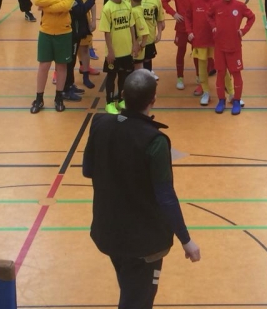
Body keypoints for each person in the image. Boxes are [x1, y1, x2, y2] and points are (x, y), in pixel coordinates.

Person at [82, 69, 201, 309]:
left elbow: (88, 170)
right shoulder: (155, 141)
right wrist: (186, 240)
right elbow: (166, 197)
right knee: (137, 301)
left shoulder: (100, 123)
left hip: (109, 232)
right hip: (144, 243)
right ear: (153, 100)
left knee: (130, 290)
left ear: (123, 95)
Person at [31, 0, 77, 114]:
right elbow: (38, 1)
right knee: (44, 65)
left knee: (61, 66)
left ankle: (59, 97)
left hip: (64, 33)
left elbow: (66, 6)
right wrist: (57, 1)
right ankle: (39, 98)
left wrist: (46, 6)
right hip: (46, 32)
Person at [100, 0, 146, 114]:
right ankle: (109, 102)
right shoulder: (107, 8)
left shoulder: (127, 5)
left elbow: (131, 25)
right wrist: (110, 51)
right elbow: (106, 32)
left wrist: (134, 43)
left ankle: (121, 99)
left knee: (124, 76)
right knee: (111, 77)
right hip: (114, 52)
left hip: (127, 50)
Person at [210, 0, 255, 115]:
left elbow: (252, 17)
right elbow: (209, 16)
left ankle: (236, 100)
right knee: (220, 74)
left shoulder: (240, 6)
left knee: (236, 74)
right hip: (219, 47)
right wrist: (213, 27)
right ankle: (221, 100)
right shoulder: (216, 5)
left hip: (234, 47)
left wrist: (243, 31)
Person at [187, 0, 226, 106]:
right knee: (202, 68)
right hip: (200, 40)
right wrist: (189, 31)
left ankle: (230, 92)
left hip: (216, 40)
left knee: (222, 66)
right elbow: (187, 17)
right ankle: (206, 92)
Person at [161, 0, 201, 91]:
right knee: (181, 51)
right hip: (182, 27)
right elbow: (164, 1)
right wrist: (173, 13)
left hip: (196, 27)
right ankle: (180, 77)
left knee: (197, 52)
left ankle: (199, 75)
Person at [67, 0, 98, 91]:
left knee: (84, 48)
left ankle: (85, 75)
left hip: (84, 20)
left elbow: (92, 1)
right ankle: (66, 78)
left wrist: (93, 20)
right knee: (69, 52)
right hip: (70, 21)